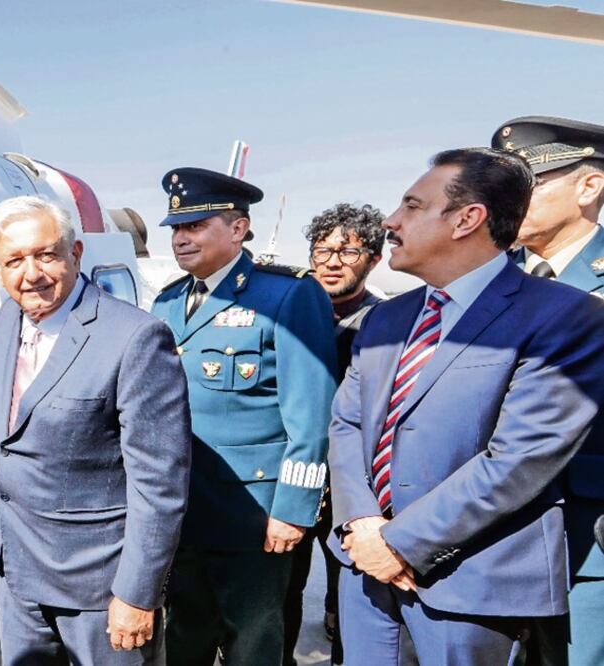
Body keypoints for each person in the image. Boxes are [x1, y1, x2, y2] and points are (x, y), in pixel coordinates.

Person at [329, 147, 604, 665]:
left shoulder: (566, 317)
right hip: (363, 569)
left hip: (467, 582)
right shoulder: (386, 319)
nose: (390, 221)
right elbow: (346, 424)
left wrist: (400, 543)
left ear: (467, 219)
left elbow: (520, 457)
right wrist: (360, 523)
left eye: (412, 206)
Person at [0, 196, 191, 665]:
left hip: (98, 588)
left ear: (74, 253)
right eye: (14, 260)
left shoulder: (134, 338)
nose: (31, 274)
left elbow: (160, 486)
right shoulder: (13, 318)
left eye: (45, 255)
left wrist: (137, 596)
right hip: (19, 577)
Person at [151, 167, 337, 666]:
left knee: (252, 639)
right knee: (186, 630)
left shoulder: (287, 296)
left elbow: (311, 417)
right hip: (183, 507)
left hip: (255, 511)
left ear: (237, 228)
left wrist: (294, 509)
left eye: (195, 225)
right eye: (175, 228)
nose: (181, 238)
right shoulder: (168, 301)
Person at [493, 116, 604, 666]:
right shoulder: (487, 278)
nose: (505, 200)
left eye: (526, 183)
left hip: (588, 544)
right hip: (487, 542)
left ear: (589, 186)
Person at [283, 203, 386, 665]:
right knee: (280, 587)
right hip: (293, 471)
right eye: (321, 250)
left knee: (353, 592)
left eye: (347, 251)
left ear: (373, 260)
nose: (331, 261)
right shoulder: (285, 314)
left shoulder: (386, 323)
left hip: (353, 481)